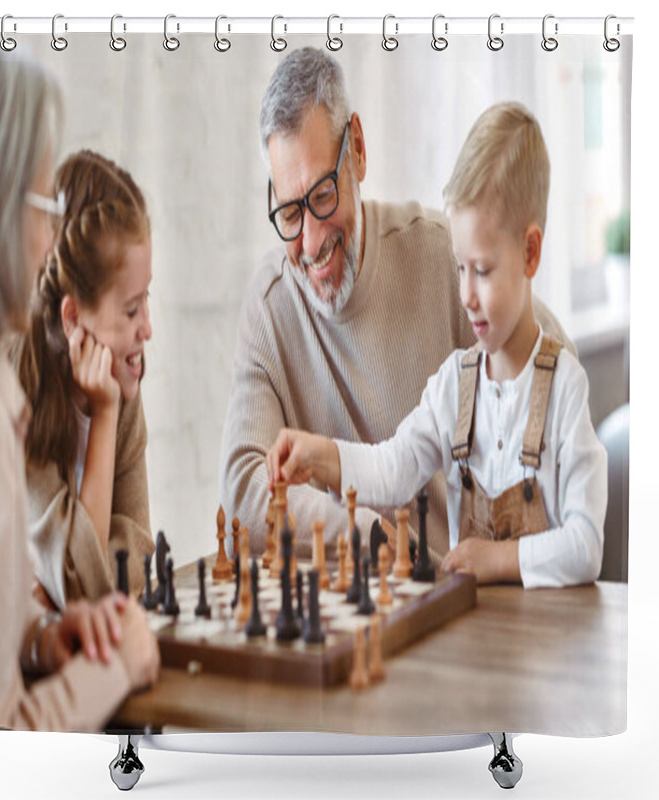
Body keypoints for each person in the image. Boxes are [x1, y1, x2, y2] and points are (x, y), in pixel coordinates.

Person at [219, 47, 573, 564]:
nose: (312, 240)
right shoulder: (270, 306)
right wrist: (365, 533)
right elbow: (244, 491)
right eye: (290, 212)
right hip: (367, 608)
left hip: (471, 600)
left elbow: (556, 365)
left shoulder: (441, 255)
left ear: (357, 150)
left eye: (321, 195)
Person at [267, 102, 607, 588]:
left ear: (530, 252)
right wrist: (319, 455)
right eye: (460, 268)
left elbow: (586, 547)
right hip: (473, 642)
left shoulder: (565, 388)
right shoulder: (455, 384)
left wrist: (497, 559)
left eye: (483, 271)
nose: (466, 295)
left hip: (549, 645)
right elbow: (393, 468)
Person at [0, 53, 159, 731]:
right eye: (41, 209)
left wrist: (42, 632)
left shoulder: (8, 395)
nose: (45, 241)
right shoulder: (19, 401)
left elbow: (129, 570)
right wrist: (113, 662)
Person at [12, 149, 155, 610]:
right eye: (131, 310)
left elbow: (140, 556)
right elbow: (82, 584)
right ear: (72, 317)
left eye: (146, 300)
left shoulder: (121, 382)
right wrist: (105, 412)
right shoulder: (19, 393)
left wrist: (65, 581)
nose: (147, 328)